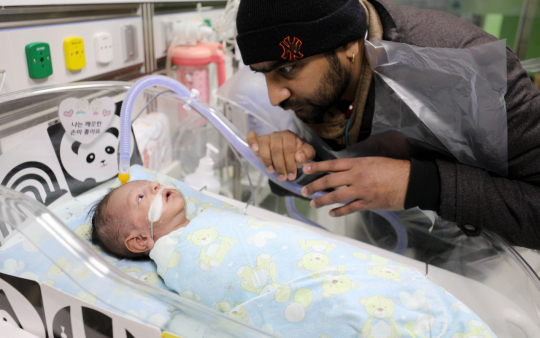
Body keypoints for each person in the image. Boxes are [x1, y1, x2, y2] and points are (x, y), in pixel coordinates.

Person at [235, 0, 540, 249]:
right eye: (262, 74)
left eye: (288, 67)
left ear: (348, 45)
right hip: (383, 250)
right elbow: (337, 167)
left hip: (486, 271)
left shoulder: (465, 69)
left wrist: (421, 183)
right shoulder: (321, 78)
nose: (274, 97)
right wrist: (295, 161)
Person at [89, 180, 495, 337]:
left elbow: (282, 246)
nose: (155, 186)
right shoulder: (178, 259)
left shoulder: (211, 222)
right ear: (141, 240)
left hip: (331, 268)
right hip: (315, 298)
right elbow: (206, 304)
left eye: (150, 184)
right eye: (141, 196)